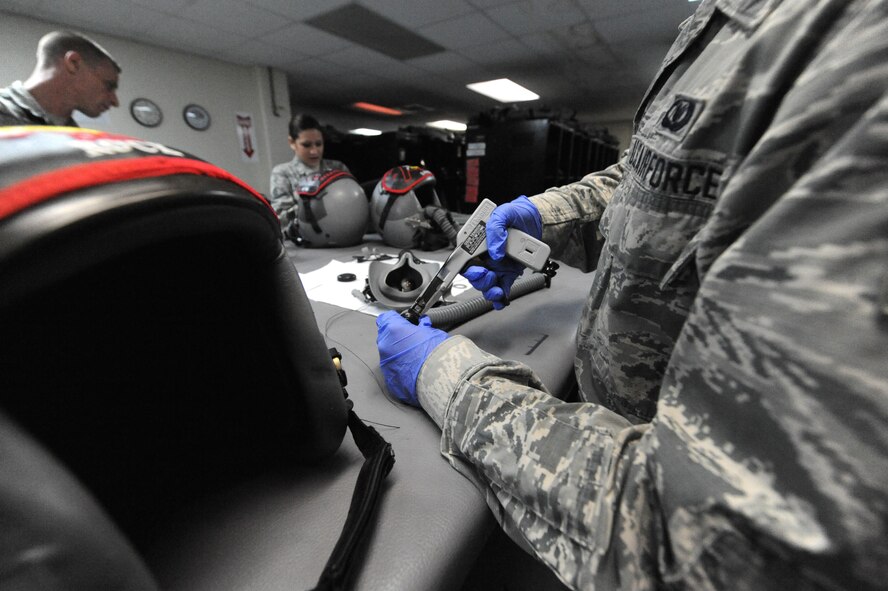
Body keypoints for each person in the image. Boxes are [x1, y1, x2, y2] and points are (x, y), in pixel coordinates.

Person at [376, 0, 888, 589]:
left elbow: (707, 548)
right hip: (597, 444)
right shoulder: (726, 22)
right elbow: (644, 177)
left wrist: (447, 377)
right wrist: (545, 218)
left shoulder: (857, 49)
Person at [0, 30, 120, 127]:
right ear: (74, 63)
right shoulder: (4, 111)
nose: (115, 102)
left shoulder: (78, 138)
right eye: (108, 86)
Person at [269, 113, 350, 235]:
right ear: (292, 142)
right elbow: (281, 218)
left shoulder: (338, 168)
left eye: (319, 144)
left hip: (344, 234)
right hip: (305, 242)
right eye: (306, 145)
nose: (314, 151)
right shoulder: (282, 173)